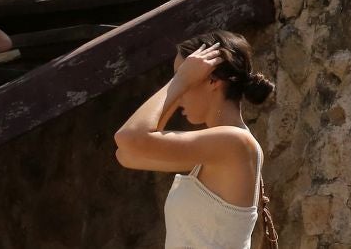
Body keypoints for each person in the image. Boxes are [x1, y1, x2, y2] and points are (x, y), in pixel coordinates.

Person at [114, 30, 276, 249]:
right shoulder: (214, 150)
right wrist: (182, 79)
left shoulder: (234, 142)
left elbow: (130, 139)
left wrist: (180, 80)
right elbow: (127, 154)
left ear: (212, 81)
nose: (179, 93)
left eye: (187, 78)